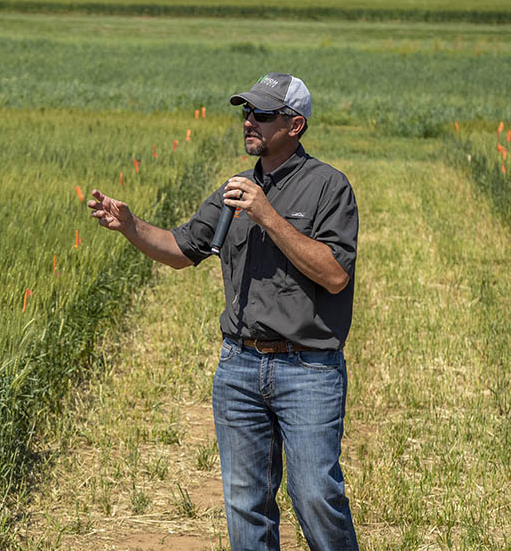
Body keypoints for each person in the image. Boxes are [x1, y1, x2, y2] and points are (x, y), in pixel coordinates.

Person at [88, 73, 359, 550]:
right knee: (244, 502)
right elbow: (179, 248)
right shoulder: (236, 188)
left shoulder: (328, 187)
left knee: (314, 495)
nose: (248, 121)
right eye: (245, 112)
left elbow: (335, 274)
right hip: (239, 367)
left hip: (308, 369)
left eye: (262, 114)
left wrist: (268, 216)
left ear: (295, 125)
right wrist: (130, 226)